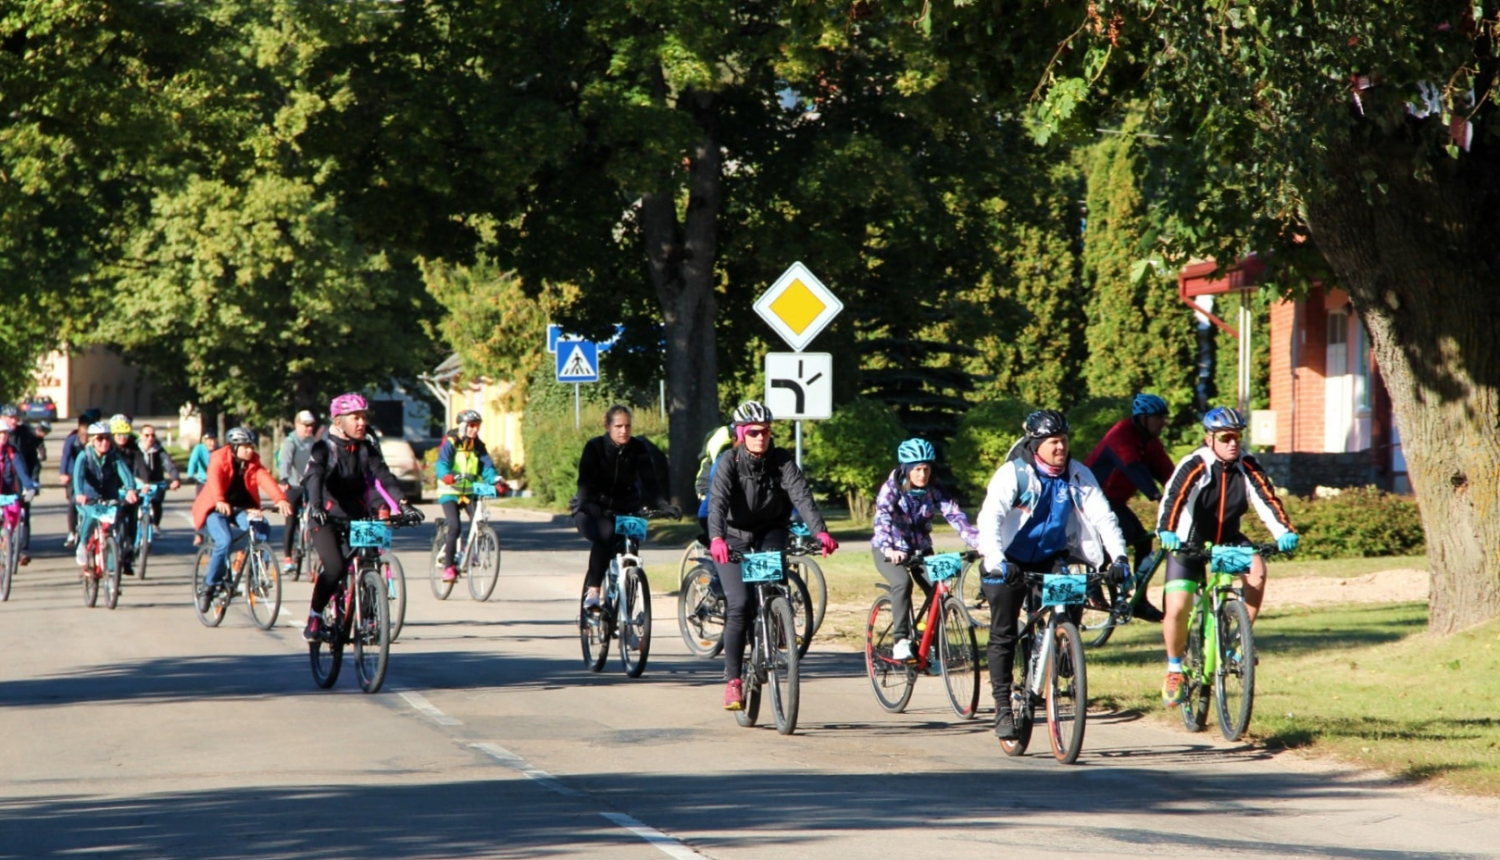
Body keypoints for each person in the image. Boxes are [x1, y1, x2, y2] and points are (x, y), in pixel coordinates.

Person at [975, 409, 1131, 741]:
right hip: (1009, 559)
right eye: (1053, 442)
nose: (1061, 447)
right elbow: (989, 519)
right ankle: (1003, 706)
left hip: (1051, 556)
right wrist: (997, 558)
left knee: (1071, 601)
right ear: (1036, 444)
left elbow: (1104, 517)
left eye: (1064, 441)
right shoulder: (1013, 474)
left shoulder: (1077, 474)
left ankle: (1061, 647)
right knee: (1003, 632)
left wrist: (1118, 556)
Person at [1155, 406, 1298, 708]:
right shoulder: (1196, 463)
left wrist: (1283, 531)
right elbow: (1174, 497)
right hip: (1188, 541)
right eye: (1226, 437)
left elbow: (1267, 500)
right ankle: (1174, 668)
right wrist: (1167, 531)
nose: (1234, 443)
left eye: (1238, 437)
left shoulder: (1248, 464)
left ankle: (1235, 641)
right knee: (1178, 605)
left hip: (1228, 538)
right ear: (1210, 439)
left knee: (1257, 571)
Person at [707, 401, 838, 710]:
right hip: (734, 538)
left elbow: (801, 495)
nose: (761, 437)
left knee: (776, 587)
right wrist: (716, 538)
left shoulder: (780, 460)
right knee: (740, 605)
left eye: (766, 431)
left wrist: (820, 531)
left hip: (770, 531)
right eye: (753, 432)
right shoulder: (729, 461)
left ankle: (776, 622)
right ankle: (734, 681)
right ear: (741, 433)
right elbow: (718, 502)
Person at [301, 393, 421, 642]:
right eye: (355, 417)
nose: (361, 422)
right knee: (334, 568)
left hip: (357, 516)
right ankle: (314, 618)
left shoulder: (366, 448)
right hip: (325, 517)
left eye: (364, 417)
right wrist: (315, 507)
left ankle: (367, 618)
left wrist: (404, 504)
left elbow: (384, 477)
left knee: (370, 559)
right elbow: (313, 477)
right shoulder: (324, 447)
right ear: (338, 422)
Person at [871, 438, 980, 662]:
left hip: (920, 550)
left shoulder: (934, 488)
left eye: (926, 469)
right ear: (907, 469)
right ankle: (900, 640)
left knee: (940, 589)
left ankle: (930, 643)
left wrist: (979, 543)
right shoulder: (892, 488)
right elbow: (882, 518)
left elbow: (955, 515)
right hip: (889, 550)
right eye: (917, 470)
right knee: (902, 583)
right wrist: (889, 548)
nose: (922, 475)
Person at [1082, 392, 1178, 622]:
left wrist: (1182, 492)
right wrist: (1156, 495)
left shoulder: (1151, 442)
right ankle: (1092, 586)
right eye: (1158, 418)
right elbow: (1132, 468)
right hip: (1093, 499)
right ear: (1142, 418)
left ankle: (1139, 600)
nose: (1163, 422)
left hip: (1114, 502)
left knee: (1144, 540)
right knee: (1122, 535)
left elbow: (1167, 472)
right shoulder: (1121, 434)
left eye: (1164, 417)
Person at [572, 405, 677, 612]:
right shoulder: (595, 448)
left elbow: (650, 482)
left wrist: (664, 505)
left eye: (628, 426)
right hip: (594, 509)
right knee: (606, 533)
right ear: (607, 426)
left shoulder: (638, 448)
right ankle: (593, 591)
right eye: (618, 426)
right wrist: (586, 503)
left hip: (626, 509)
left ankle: (625, 612)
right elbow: (583, 482)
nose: (624, 431)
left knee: (631, 548)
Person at [190, 427, 290, 612]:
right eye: (246, 447)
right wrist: (220, 499)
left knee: (262, 528)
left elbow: (264, 478)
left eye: (251, 446)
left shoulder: (252, 462)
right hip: (216, 507)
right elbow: (214, 479)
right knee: (224, 541)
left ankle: (257, 575)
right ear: (234, 447)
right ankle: (209, 586)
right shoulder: (219, 457)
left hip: (242, 507)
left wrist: (280, 498)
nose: (250, 450)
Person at [433, 409, 508, 582]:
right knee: (455, 526)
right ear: (463, 426)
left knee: (478, 520)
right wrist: (446, 476)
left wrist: (496, 481)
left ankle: (468, 553)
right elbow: (441, 464)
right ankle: (449, 567)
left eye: (477, 426)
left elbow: (487, 468)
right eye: (472, 426)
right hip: (450, 492)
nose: (475, 430)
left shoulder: (478, 446)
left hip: (470, 492)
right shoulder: (451, 442)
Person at [71, 421, 139, 578]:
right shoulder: (85, 455)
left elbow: (126, 473)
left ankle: (112, 566)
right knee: (90, 515)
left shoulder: (114, 456)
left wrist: (130, 489)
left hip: (109, 498)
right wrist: (80, 493)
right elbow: (78, 476)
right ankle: (82, 544)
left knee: (114, 525)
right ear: (92, 440)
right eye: (100, 438)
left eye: (107, 438)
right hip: (88, 498)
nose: (104, 442)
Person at [277, 410, 319, 573]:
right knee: (291, 520)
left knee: (317, 514)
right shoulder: (290, 441)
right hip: (293, 485)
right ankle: (288, 557)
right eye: (305, 425)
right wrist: (284, 479)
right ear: (297, 425)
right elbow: (285, 461)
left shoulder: (312, 441)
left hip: (309, 484)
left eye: (311, 426)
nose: (309, 429)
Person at [0, 405, 40, 559]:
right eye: (1, 433)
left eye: (5, 434)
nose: (3, 436)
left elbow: (23, 467)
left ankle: (18, 546)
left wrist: (30, 486)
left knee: (19, 511)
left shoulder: (14, 448)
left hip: (12, 486)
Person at [108, 416, 146, 573]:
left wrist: (146, 482)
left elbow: (141, 465)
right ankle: (108, 554)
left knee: (131, 524)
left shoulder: (133, 448)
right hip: (111, 487)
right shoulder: (108, 447)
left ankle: (128, 558)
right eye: (118, 435)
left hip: (129, 487)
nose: (122, 438)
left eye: (125, 435)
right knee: (109, 524)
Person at [59, 409, 101, 548]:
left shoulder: (95, 440)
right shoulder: (72, 439)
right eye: (83, 430)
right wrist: (63, 473)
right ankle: (71, 532)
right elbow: (65, 456)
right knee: (73, 502)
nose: (85, 435)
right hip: (72, 475)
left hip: (90, 475)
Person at [136, 423, 182, 531]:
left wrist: (175, 479)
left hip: (157, 481)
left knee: (157, 504)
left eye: (152, 435)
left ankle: (155, 524)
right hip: (139, 481)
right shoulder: (135, 450)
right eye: (147, 435)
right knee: (135, 505)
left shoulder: (159, 450)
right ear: (141, 436)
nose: (150, 438)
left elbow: (169, 464)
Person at [187, 430, 218, 547]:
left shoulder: (219, 450)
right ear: (204, 441)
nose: (212, 443)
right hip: (202, 481)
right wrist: (190, 475)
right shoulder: (199, 449)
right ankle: (198, 533)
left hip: (216, 483)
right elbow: (193, 462)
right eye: (209, 441)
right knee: (200, 507)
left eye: (213, 440)